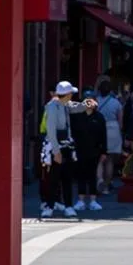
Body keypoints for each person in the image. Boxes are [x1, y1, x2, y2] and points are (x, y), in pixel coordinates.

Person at [41, 81, 78, 218]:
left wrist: (87, 104)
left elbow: (78, 107)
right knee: (53, 178)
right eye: (71, 93)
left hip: (66, 145)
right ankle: (49, 206)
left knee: (67, 178)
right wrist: (56, 151)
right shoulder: (52, 107)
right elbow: (51, 130)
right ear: (67, 94)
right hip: (55, 146)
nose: (72, 95)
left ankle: (68, 206)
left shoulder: (65, 105)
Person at [70, 91, 106, 211]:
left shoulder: (99, 117)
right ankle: (80, 200)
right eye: (87, 100)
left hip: (95, 150)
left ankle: (93, 200)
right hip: (79, 149)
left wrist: (104, 151)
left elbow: (103, 135)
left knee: (92, 176)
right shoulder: (77, 116)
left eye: (91, 100)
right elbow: (73, 133)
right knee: (81, 175)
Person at [95, 79, 123, 194]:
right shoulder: (116, 103)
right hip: (113, 129)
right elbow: (120, 121)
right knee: (110, 160)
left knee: (99, 159)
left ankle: (99, 179)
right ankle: (106, 186)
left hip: (98, 128)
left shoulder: (95, 101)